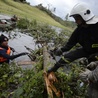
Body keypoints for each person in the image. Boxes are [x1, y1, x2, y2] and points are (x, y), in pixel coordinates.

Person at [47, 3, 98, 73]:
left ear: (84, 17)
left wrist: (96, 62)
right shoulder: (79, 30)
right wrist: (61, 50)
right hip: (86, 50)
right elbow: (70, 44)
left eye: (77, 18)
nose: (75, 21)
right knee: (67, 57)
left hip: (96, 54)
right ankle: (53, 69)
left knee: (92, 73)